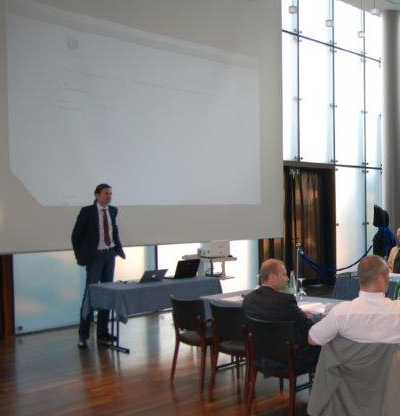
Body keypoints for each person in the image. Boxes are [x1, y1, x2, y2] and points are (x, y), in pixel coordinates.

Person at [72, 183, 125, 349]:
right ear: (97, 195)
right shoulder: (87, 211)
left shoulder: (113, 210)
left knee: (107, 294)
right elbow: (76, 236)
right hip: (95, 258)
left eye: (111, 193)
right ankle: (83, 335)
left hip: (110, 255)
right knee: (90, 295)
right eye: (106, 193)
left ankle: (103, 332)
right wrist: (83, 257)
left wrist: (117, 249)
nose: (109, 196)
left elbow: (113, 231)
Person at [243, 259, 320, 373]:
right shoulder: (285, 300)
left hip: (262, 355)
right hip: (290, 358)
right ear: (272, 277)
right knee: (325, 340)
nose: (287, 278)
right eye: (284, 274)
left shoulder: (248, 299)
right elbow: (309, 327)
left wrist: (299, 313)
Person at [309, 255, 400, 346]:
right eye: (388, 276)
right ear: (381, 279)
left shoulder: (340, 313)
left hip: (347, 355)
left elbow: (313, 339)